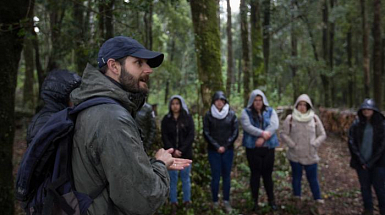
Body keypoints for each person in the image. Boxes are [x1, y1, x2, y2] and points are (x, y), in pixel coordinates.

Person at [70, 36, 192, 215]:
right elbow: (143, 200)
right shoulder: (111, 118)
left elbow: (109, 169)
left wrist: (149, 166)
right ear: (114, 66)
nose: (148, 70)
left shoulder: (98, 106)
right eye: (138, 63)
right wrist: (159, 164)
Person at [280, 94, 327, 207]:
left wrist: (315, 144)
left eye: (304, 105)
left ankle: (318, 201)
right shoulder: (290, 118)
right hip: (295, 154)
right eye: (300, 104)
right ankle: (297, 199)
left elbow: (322, 134)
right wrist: (292, 144)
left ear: (308, 106)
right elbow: (283, 133)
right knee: (296, 178)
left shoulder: (314, 118)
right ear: (296, 106)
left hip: (310, 155)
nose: (302, 107)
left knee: (313, 179)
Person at [240, 89, 279, 211]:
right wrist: (262, 133)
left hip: (268, 148)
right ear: (252, 101)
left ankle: (271, 200)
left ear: (263, 101)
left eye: (260, 100)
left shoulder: (270, 111)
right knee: (255, 175)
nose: (258, 102)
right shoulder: (245, 112)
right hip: (253, 148)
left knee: (267, 175)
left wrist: (263, 137)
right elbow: (247, 127)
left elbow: (274, 125)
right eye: (255, 100)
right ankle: (254, 202)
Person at [348, 99, 385, 215]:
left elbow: (382, 146)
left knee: (380, 188)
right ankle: (368, 209)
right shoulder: (356, 124)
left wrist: (371, 162)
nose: (366, 111)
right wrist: (361, 160)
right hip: (361, 163)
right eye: (364, 109)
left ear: (374, 110)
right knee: (365, 188)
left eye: (369, 109)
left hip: (379, 163)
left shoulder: (382, 125)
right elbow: (351, 142)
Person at [203, 91, 238, 212]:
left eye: (222, 100)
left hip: (228, 151)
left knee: (226, 176)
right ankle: (215, 201)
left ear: (225, 102)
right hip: (213, 151)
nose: (219, 102)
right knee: (215, 176)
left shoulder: (231, 115)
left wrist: (225, 145)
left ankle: (226, 201)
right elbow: (206, 133)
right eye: (217, 100)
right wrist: (217, 146)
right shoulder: (208, 115)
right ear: (213, 101)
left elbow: (235, 132)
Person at [26, 69, 81, 146]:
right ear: (62, 96)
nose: (76, 99)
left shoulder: (62, 117)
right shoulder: (45, 122)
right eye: (73, 95)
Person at [161, 95, 195, 215]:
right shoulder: (166, 119)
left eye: (177, 103)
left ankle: (187, 201)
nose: (175, 106)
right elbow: (164, 135)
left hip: (185, 154)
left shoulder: (187, 118)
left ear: (181, 105)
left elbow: (191, 135)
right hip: (171, 155)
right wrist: (173, 150)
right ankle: (173, 202)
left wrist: (181, 149)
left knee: (186, 178)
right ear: (170, 105)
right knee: (172, 179)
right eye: (173, 103)